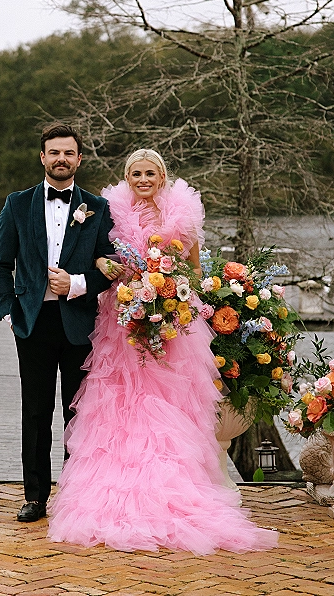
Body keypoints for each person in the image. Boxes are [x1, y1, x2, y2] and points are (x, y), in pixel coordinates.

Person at [47, 149, 278, 553]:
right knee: (120, 401)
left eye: (150, 173)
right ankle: (113, 489)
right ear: (127, 177)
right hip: (122, 322)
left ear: (162, 176)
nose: (143, 179)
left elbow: (195, 271)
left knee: (169, 403)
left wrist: (172, 293)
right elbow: (97, 255)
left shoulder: (182, 217)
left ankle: (174, 488)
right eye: (135, 173)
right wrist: (107, 268)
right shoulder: (111, 213)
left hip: (172, 325)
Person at [0, 122, 114, 523]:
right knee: (36, 412)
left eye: (68, 153)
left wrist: (77, 284)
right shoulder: (16, 204)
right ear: (43, 157)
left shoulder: (97, 207)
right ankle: (35, 497)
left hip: (79, 322)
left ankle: (75, 496)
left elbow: (111, 266)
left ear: (79, 159)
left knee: (78, 414)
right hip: (33, 322)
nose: (61, 159)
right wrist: (9, 310)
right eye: (54, 152)